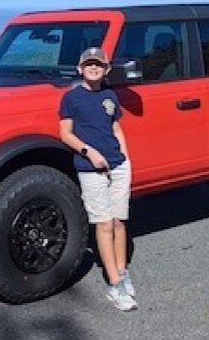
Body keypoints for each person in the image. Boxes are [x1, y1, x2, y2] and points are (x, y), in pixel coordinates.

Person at [58, 47, 137, 311]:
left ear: (106, 70)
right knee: (103, 224)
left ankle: (123, 272)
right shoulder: (71, 98)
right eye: (89, 64)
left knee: (118, 222)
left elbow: (116, 128)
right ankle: (114, 284)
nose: (94, 68)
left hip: (118, 165)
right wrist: (89, 152)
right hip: (90, 168)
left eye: (99, 65)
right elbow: (65, 133)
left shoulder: (110, 96)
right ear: (80, 69)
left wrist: (125, 158)